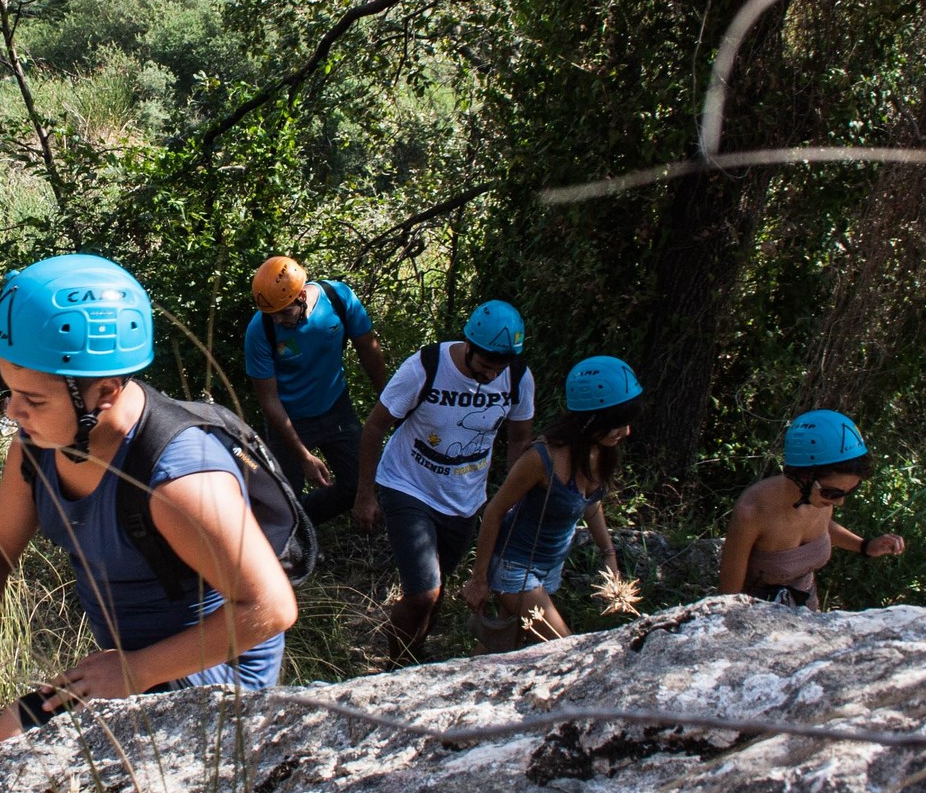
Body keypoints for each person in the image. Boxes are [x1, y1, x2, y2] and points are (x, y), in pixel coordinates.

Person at [0, 254, 297, 753]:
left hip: (217, 674)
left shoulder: (180, 481)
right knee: (13, 740)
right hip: (131, 662)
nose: (13, 412)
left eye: (33, 400)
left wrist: (136, 671)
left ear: (104, 392)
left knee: (14, 737)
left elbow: (270, 607)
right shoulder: (37, 449)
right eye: (8, 391)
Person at [353, 300, 536, 661]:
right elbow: (375, 426)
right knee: (424, 592)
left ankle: (416, 656)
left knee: (437, 590)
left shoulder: (518, 377)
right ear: (469, 346)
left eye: (498, 367)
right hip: (407, 484)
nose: (490, 375)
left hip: (464, 497)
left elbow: (519, 438)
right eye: (484, 365)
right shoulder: (426, 367)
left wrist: (512, 499)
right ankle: (396, 666)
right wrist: (365, 494)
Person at [463, 356, 639, 650]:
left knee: (504, 646)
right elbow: (495, 511)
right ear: (590, 419)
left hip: (549, 566)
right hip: (514, 568)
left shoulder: (600, 451)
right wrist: (478, 579)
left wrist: (609, 554)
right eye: (616, 425)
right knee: (566, 650)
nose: (626, 432)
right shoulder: (541, 458)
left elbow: (589, 503)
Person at [242, 255, 389, 527]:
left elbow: (368, 349)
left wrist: (388, 400)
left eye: (284, 312)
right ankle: (292, 532)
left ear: (301, 296)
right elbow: (269, 400)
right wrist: (303, 455)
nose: (278, 320)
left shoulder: (338, 299)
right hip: (289, 420)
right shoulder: (260, 332)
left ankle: (301, 523)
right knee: (283, 502)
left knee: (357, 484)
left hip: (335, 408)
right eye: (271, 314)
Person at [719, 410, 904, 608]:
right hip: (757, 614)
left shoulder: (818, 499)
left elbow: (822, 527)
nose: (839, 502)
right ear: (803, 475)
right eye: (832, 493)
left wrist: (865, 546)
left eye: (850, 491)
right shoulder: (752, 512)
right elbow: (729, 600)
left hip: (806, 610)